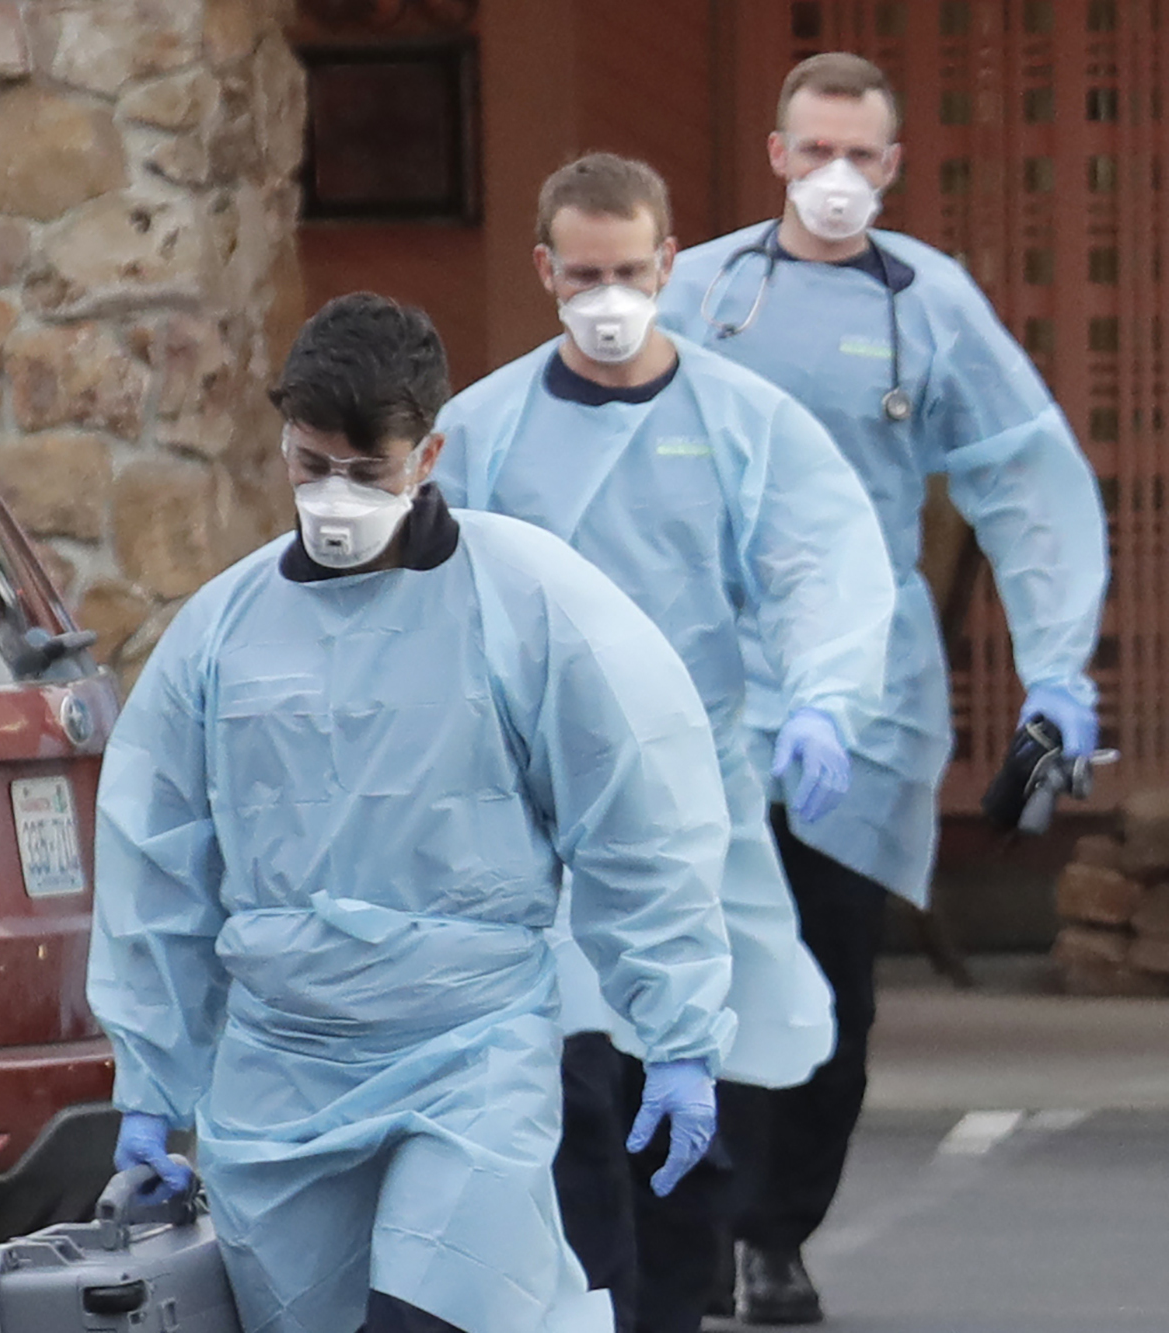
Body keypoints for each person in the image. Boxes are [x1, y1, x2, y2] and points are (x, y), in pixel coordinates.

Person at [89, 291, 741, 1333]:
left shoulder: (528, 603)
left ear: (427, 452)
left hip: (466, 1047)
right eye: (310, 466)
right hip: (278, 1072)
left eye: (366, 470)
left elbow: (636, 817)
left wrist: (676, 1030)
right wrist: (151, 1078)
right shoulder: (224, 631)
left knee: (436, 1313)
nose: (334, 496)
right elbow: (156, 858)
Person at [657, 53, 1108, 1323]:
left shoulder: (930, 305)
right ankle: (684, 1227)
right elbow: (591, 453)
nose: (836, 178)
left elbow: (1025, 479)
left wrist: (1057, 665)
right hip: (706, 679)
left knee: (829, 977)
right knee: (694, 966)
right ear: (775, 154)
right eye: (815, 152)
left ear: (892, 167)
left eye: (862, 157)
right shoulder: (698, 293)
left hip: (862, 693)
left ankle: (772, 1235)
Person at [431, 153, 895, 1333]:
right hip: (530, 822)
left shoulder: (741, 423)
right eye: (581, 273)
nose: (604, 295)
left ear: (667, 265)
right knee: (572, 1106)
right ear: (544, 270)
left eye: (626, 271)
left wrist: (823, 698)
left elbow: (821, 561)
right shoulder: (481, 431)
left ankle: (677, 1305)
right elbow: (419, 600)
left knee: (694, 1116)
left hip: (694, 814)